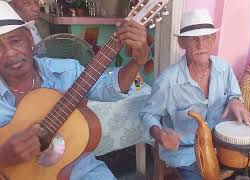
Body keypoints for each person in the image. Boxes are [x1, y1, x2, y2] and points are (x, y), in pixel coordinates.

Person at [140, 9, 250, 180]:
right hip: (189, 155)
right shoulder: (168, 81)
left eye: (206, 37)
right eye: (194, 39)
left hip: (225, 146)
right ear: (182, 43)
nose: (201, 45)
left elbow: (234, 95)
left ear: (213, 40)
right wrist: (159, 134)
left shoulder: (223, 68)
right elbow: (148, 114)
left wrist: (236, 101)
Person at [0, 1, 148, 180]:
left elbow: (108, 87)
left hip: (80, 168)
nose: (9, 53)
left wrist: (137, 62)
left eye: (15, 41)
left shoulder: (65, 71)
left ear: (30, 39)